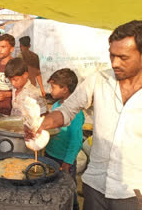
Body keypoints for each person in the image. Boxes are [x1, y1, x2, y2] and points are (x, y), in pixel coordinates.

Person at [25, 20, 142, 210]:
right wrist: (40, 124)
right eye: (111, 55)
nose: (114, 63)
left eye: (123, 57)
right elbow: (66, 110)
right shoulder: (99, 80)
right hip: (95, 184)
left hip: (132, 192)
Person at [45, 68, 84, 210]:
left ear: (65, 89)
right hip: (50, 154)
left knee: (68, 189)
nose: (51, 90)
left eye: (53, 87)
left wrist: (67, 162)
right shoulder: (56, 105)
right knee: (54, 186)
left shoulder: (76, 113)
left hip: (64, 159)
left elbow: (76, 140)